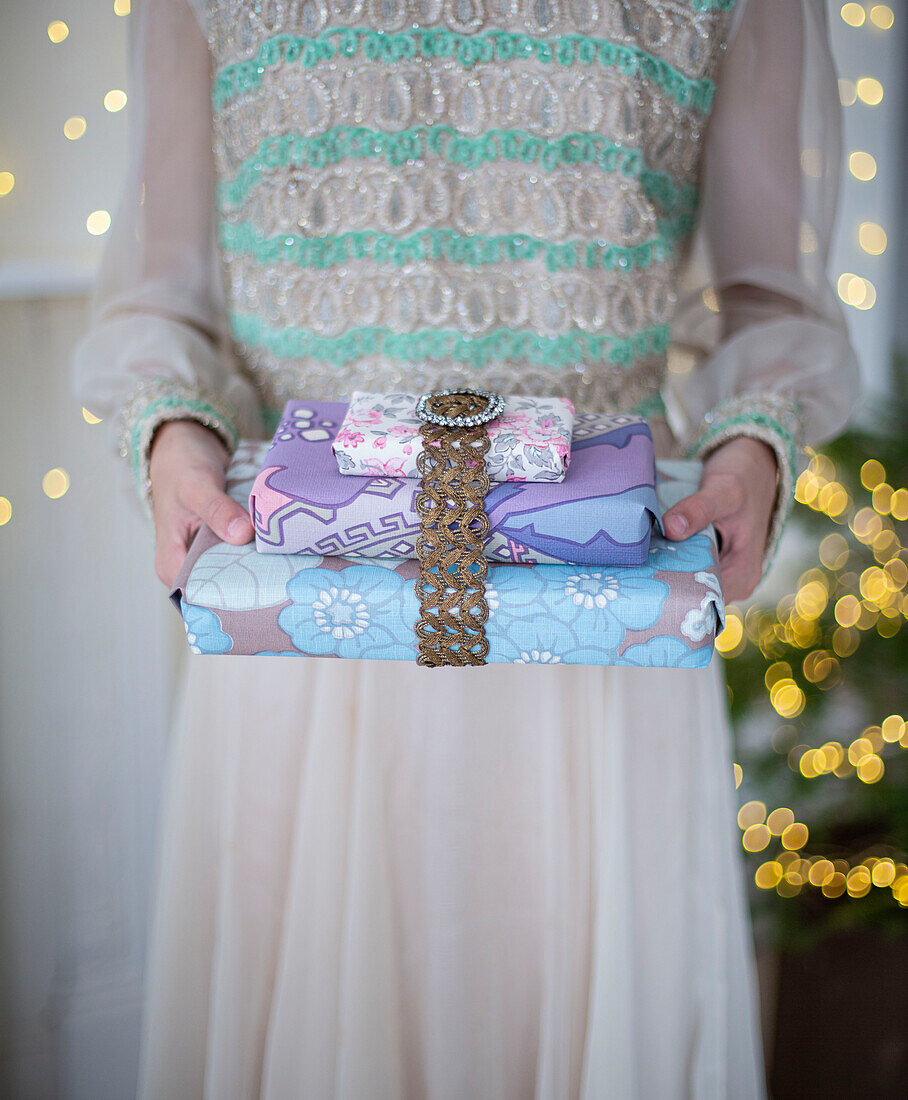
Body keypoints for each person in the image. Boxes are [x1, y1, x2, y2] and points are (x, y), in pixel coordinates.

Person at [71, 1, 860, 1096]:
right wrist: (172, 428)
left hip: (601, 629)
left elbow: (766, 298)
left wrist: (752, 444)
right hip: (298, 624)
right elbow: (162, 294)